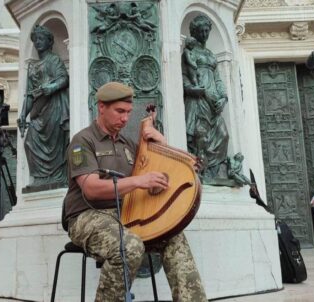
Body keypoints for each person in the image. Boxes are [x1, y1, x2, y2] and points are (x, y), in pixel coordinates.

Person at [62, 81, 208, 301]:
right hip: (86, 215)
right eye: (119, 111)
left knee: (174, 236)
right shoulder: (82, 141)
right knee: (128, 246)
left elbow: (156, 173)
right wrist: (139, 181)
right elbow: (91, 189)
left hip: (127, 213)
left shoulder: (128, 144)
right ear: (101, 107)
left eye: (129, 112)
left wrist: (162, 143)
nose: (125, 118)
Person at [18, 25, 69, 188]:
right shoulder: (32, 67)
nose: (37, 42)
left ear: (49, 42)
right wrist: (22, 115)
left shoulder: (54, 60)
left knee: (56, 142)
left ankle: (56, 176)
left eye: (41, 39)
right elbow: (29, 95)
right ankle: (41, 178)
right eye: (35, 40)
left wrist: (51, 88)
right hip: (38, 111)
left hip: (54, 107)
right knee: (29, 142)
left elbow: (64, 79)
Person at [182, 15, 229, 182]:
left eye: (206, 30)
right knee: (199, 134)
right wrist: (190, 89)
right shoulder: (189, 52)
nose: (204, 33)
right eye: (200, 31)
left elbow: (217, 79)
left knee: (223, 134)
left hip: (213, 99)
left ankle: (214, 169)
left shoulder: (211, 54)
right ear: (195, 32)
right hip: (198, 98)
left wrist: (223, 97)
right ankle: (199, 170)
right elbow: (184, 76)